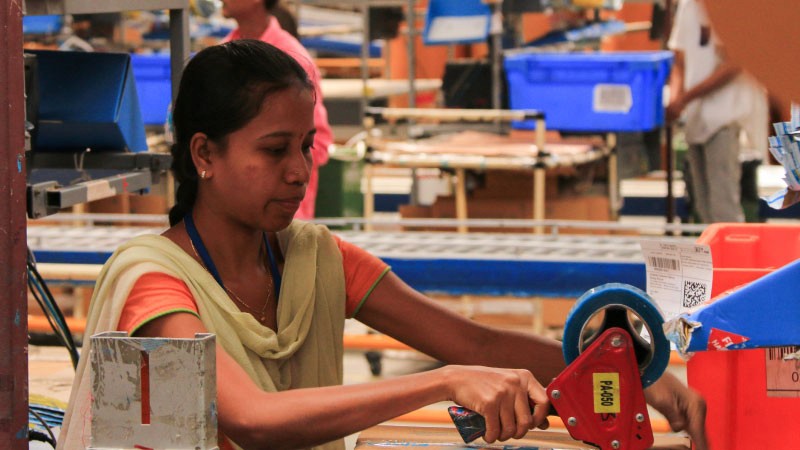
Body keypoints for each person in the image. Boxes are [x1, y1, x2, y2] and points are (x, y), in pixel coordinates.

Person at [58, 40, 708, 450]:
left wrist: (631, 377)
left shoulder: (313, 258)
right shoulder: (155, 283)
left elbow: (475, 344)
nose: (299, 172)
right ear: (204, 153)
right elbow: (251, 418)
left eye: (305, 147)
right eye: (275, 150)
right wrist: (444, 383)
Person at [220, 0, 332, 220]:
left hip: (281, 216)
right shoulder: (223, 54)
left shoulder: (291, 58)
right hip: (236, 211)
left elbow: (318, 140)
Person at [666, 0, 768, 224]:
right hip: (694, 117)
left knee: (723, 206)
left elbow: (734, 64)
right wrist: (675, 98)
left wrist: (686, 97)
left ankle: (732, 248)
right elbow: (679, 59)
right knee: (703, 207)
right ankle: (713, 247)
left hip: (724, 117)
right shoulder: (689, 6)